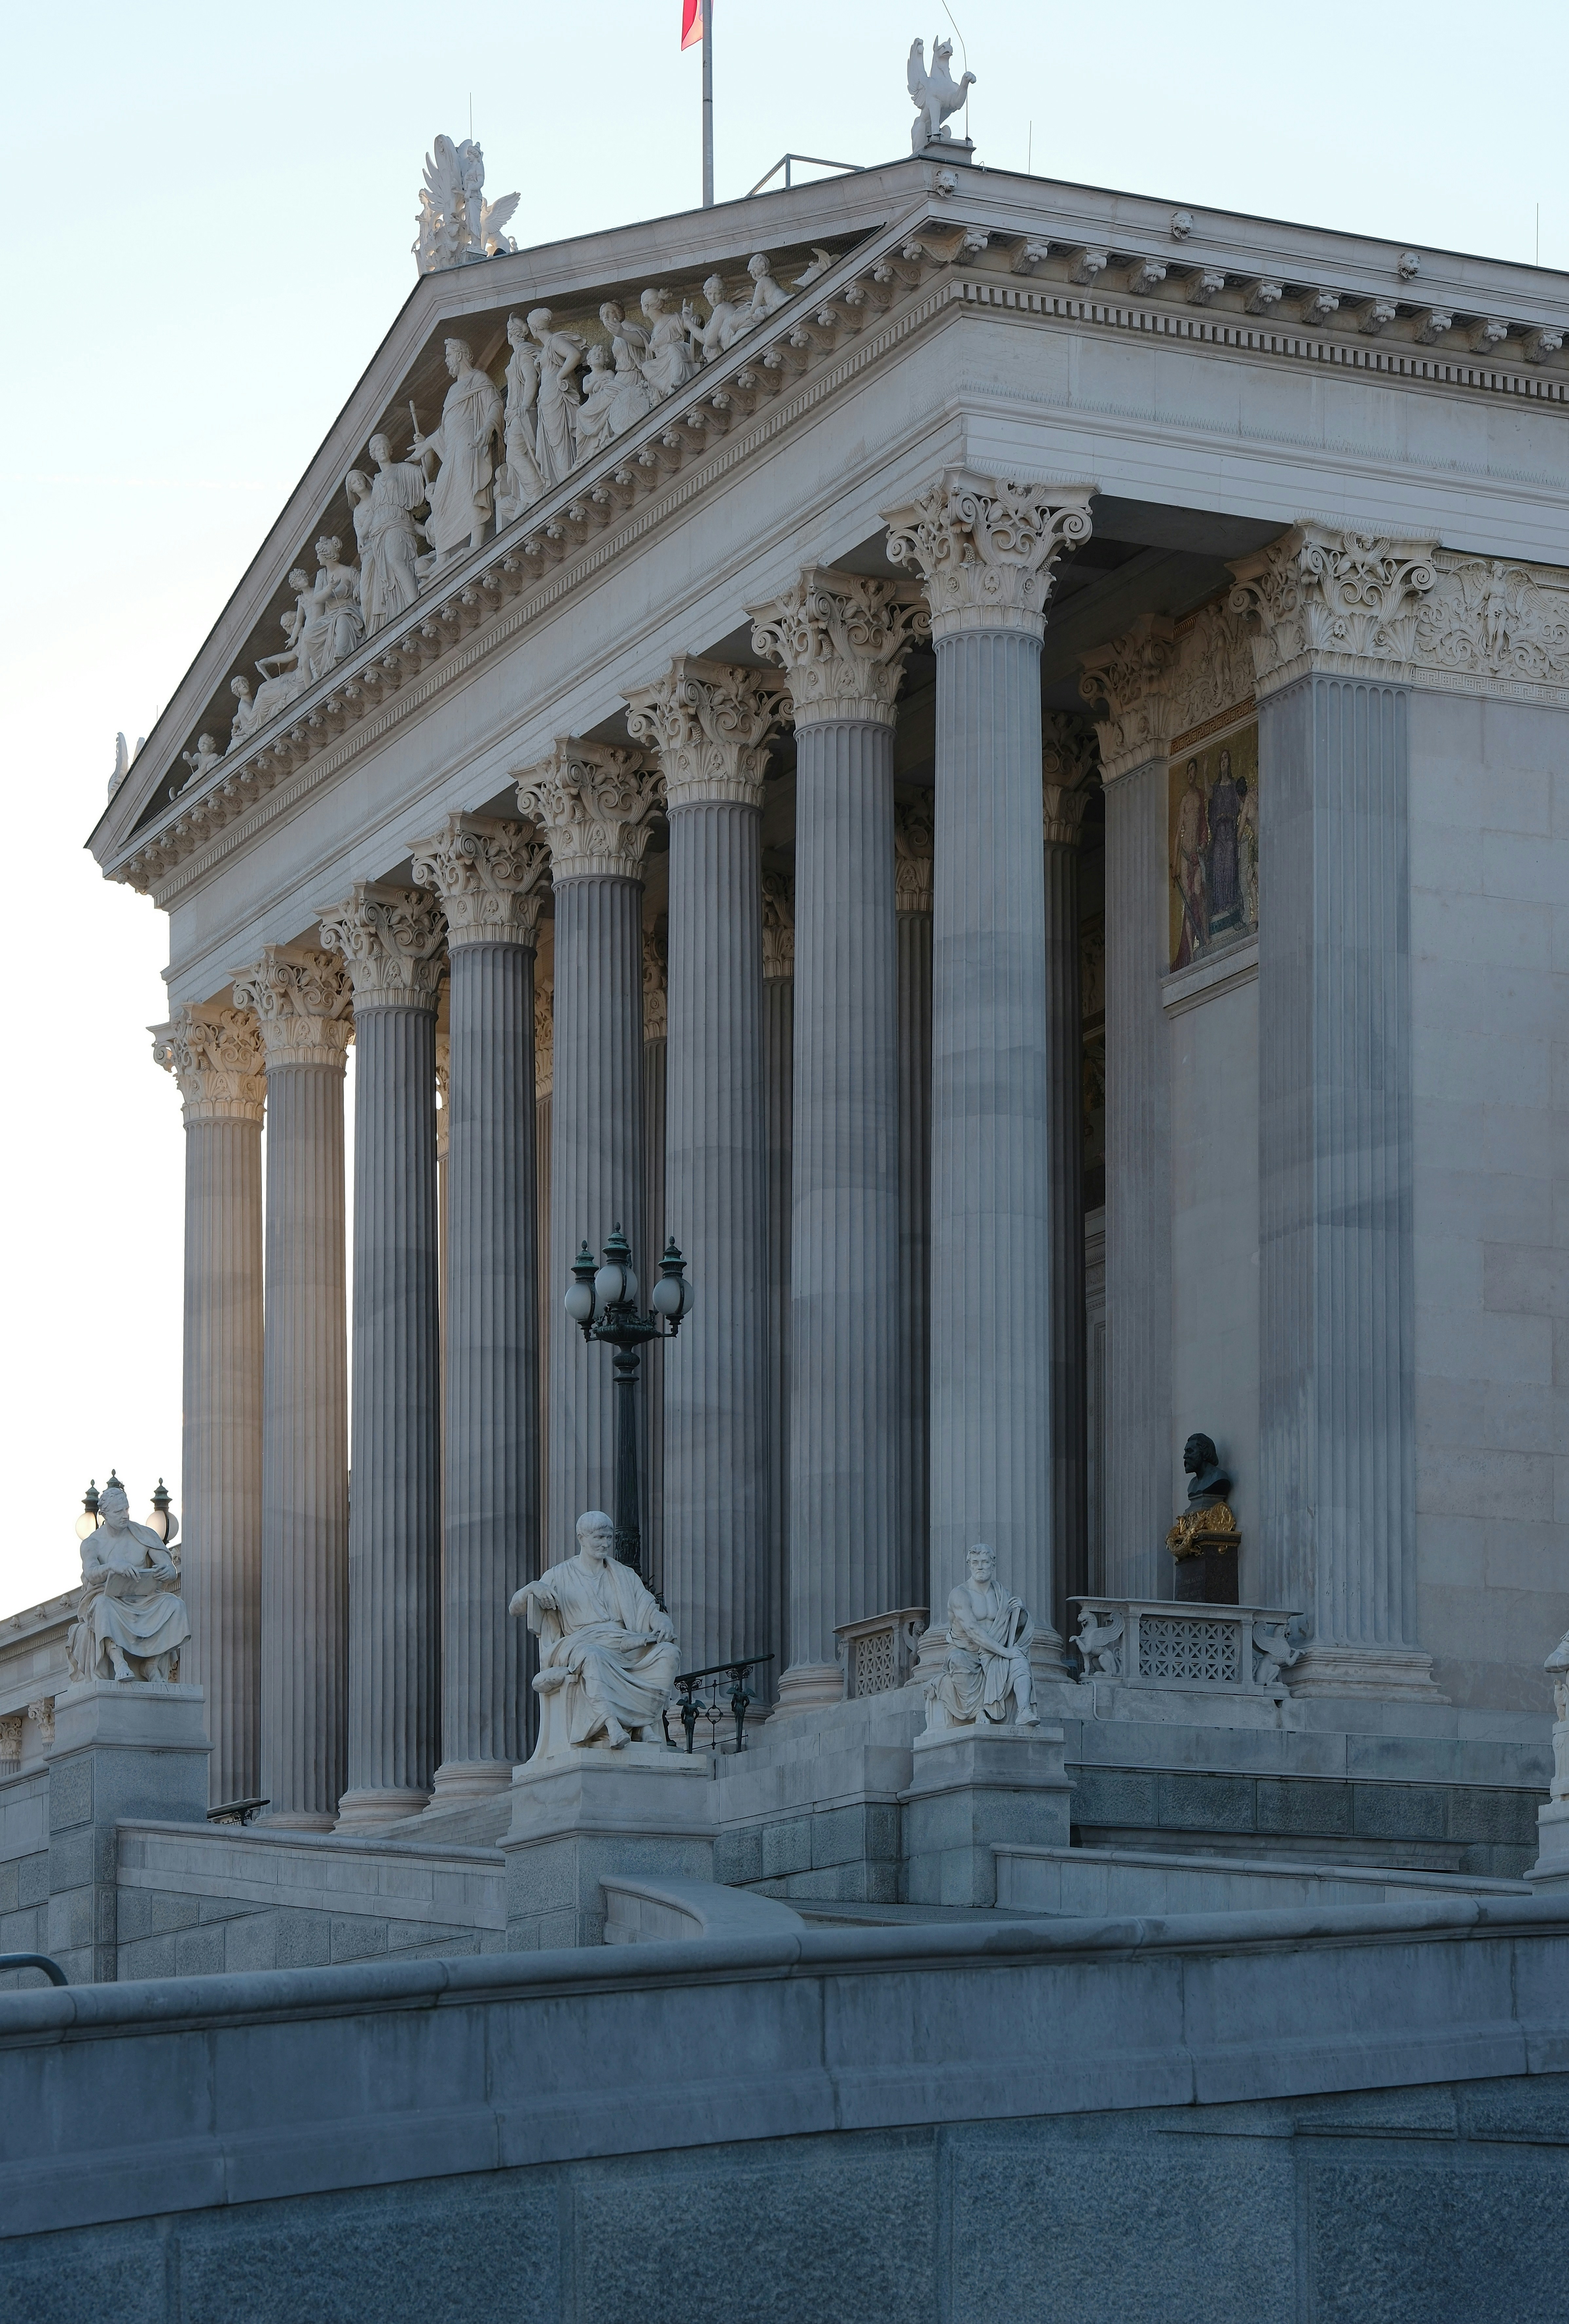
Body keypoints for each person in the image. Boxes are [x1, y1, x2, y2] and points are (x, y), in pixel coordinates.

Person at [510, 1510, 679, 1756]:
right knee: (592, 1657)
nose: (605, 1544)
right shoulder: (559, 1575)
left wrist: (661, 1620)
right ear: (581, 1538)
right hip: (582, 1644)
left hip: (625, 1645)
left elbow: (647, 1607)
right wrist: (532, 1589)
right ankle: (613, 1725)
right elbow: (515, 1607)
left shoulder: (624, 1575)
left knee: (669, 1654)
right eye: (599, 1538)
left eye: (609, 1538)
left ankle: (642, 1721)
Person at [66, 1477, 191, 1684]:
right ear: (104, 1515)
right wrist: (113, 1567)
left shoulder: (145, 1535)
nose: (125, 1516)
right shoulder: (93, 1543)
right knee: (102, 1606)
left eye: (126, 1510)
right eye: (118, 1512)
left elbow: (170, 1570)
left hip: (145, 1599)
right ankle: (119, 1662)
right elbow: (91, 1573)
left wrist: (166, 1572)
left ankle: (152, 1663)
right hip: (111, 1599)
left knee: (176, 1606)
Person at [410, 337, 503, 571]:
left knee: (471, 486)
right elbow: (445, 429)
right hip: (452, 449)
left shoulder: (478, 379)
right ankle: (443, 557)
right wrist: (428, 444)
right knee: (440, 496)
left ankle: (476, 542)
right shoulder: (453, 391)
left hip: (470, 443)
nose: (447, 361)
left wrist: (488, 427)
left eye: (449, 356)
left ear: (460, 354)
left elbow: (495, 405)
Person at [925, 1543, 1039, 1732]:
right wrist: (1005, 1651)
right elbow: (972, 1630)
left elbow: (1016, 1626)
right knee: (957, 1660)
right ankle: (978, 1711)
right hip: (967, 1651)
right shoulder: (960, 1594)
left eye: (985, 1562)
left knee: (1020, 1660)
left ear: (993, 1566)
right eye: (976, 1562)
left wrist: (1023, 1611)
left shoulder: (1002, 1594)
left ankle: (1025, 1711)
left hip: (995, 1653)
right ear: (969, 1564)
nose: (980, 1567)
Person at [348, 438, 427, 630]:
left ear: (390, 450)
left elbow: (423, 474)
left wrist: (427, 448)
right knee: (389, 576)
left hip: (396, 524)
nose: (381, 450)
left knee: (395, 560)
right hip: (379, 533)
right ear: (374, 455)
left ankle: (414, 603)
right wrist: (361, 535)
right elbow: (374, 511)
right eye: (376, 449)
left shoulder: (401, 469)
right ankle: (403, 608)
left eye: (384, 446)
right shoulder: (378, 482)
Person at [1171, 756, 1209, 968]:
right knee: (1188, 903)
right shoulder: (1185, 800)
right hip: (1186, 856)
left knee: (1199, 894)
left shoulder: (1201, 796)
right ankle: (1192, 955)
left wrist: (1203, 846)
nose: (1191, 774)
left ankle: (1205, 937)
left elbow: (1204, 825)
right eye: (1190, 771)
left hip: (1197, 855)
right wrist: (1175, 863)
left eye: (1193, 770)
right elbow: (1178, 834)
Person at [1206, 746, 1242, 936]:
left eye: (1226, 759)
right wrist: (1204, 772)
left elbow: (1239, 807)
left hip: (1230, 830)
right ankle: (1220, 905)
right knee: (1218, 859)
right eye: (1221, 759)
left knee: (1229, 858)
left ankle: (1230, 902)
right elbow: (1209, 798)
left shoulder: (1234, 785)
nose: (1223, 762)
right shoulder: (1216, 787)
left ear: (1229, 763)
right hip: (1219, 832)